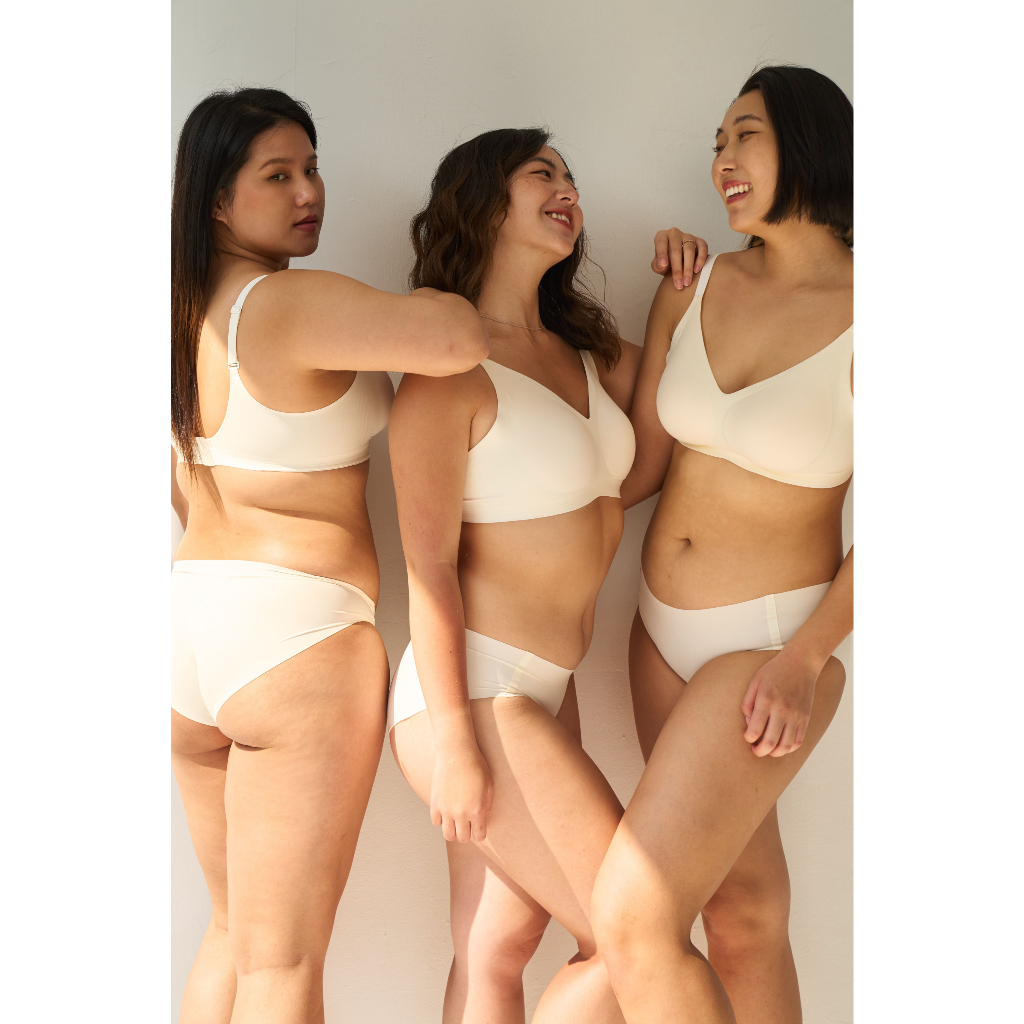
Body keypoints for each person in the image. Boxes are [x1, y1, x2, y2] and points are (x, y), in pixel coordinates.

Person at [170, 87, 487, 1024]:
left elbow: (180, 486)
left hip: (192, 631)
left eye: (311, 168)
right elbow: (457, 337)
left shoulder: (178, 316)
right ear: (217, 201)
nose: (309, 192)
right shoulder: (287, 301)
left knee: (233, 935)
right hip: (296, 637)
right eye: (278, 175)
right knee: (284, 963)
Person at [388, 129, 704, 1024]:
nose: (568, 189)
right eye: (542, 174)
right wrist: (456, 743)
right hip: (473, 692)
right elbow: (428, 566)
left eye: (571, 176)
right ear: (484, 205)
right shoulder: (448, 371)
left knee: (496, 945)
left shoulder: (586, 351)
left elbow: (648, 458)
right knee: (629, 934)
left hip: (543, 690)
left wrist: (674, 300)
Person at [593, 65, 854, 1024]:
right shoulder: (695, 285)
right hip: (656, 635)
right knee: (741, 913)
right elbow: (644, 469)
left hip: (770, 643)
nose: (721, 161)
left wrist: (806, 658)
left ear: (810, 142)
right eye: (716, 144)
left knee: (633, 917)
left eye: (744, 135)